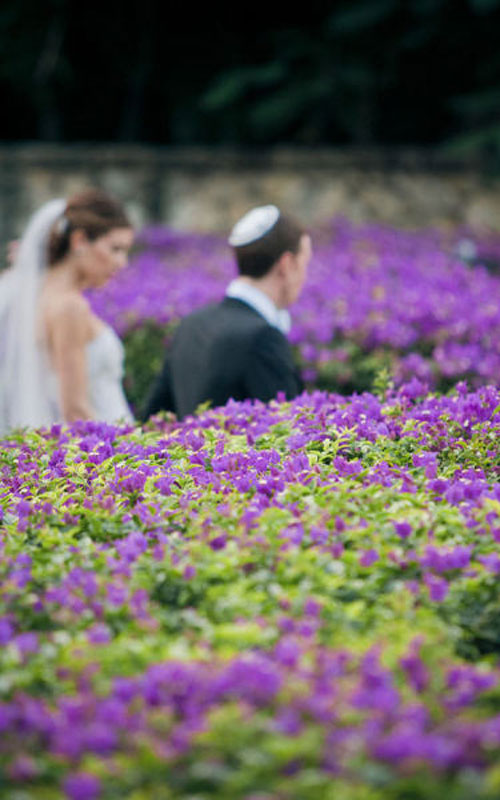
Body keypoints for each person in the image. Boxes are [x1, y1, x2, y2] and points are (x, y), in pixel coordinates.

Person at [142, 204, 312, 420]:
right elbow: (288, 430)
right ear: (286, 265)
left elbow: (153, 416)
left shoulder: (191, 324)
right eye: (304, 265)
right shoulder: (263, 337)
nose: (305, 277)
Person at [0, 189, 134, 433]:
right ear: (79, 240)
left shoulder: (39, 294)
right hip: (102, 449)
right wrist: (123, 454)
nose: (121, 263)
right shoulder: (69, 307)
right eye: (115, 249)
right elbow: (75, 409)